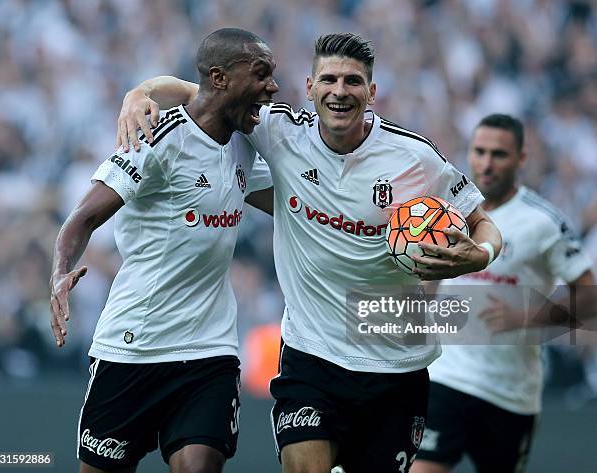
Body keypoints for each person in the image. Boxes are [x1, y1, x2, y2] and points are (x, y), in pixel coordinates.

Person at [116, 33, 502, 473]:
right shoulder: (280, 130)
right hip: (310, 356)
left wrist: (481, 255)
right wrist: (140, 93)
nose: (341, 91)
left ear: (371, 93)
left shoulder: (413, 157)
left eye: (353, 81)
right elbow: (197, 92)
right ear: (311, 87)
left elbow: (482, 222)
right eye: (330, 80)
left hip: (396, 362)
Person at [50, 28, 278, 473]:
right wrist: (60, 270)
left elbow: (296, 206)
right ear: (221, 78)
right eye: (262, 74)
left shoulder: (245, 144)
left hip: (209, 351)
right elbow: (81, 218)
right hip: (134, 347)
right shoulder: (158, 139)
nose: (272, 87)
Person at [411, 114, 595, 473]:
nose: (486, 163)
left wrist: (526, 316)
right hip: (446, 377)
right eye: (479, 152)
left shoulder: (544, 222)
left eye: (499, 154)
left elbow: (590, 298)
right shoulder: (445, 211)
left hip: (511, 394)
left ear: (521, 159)